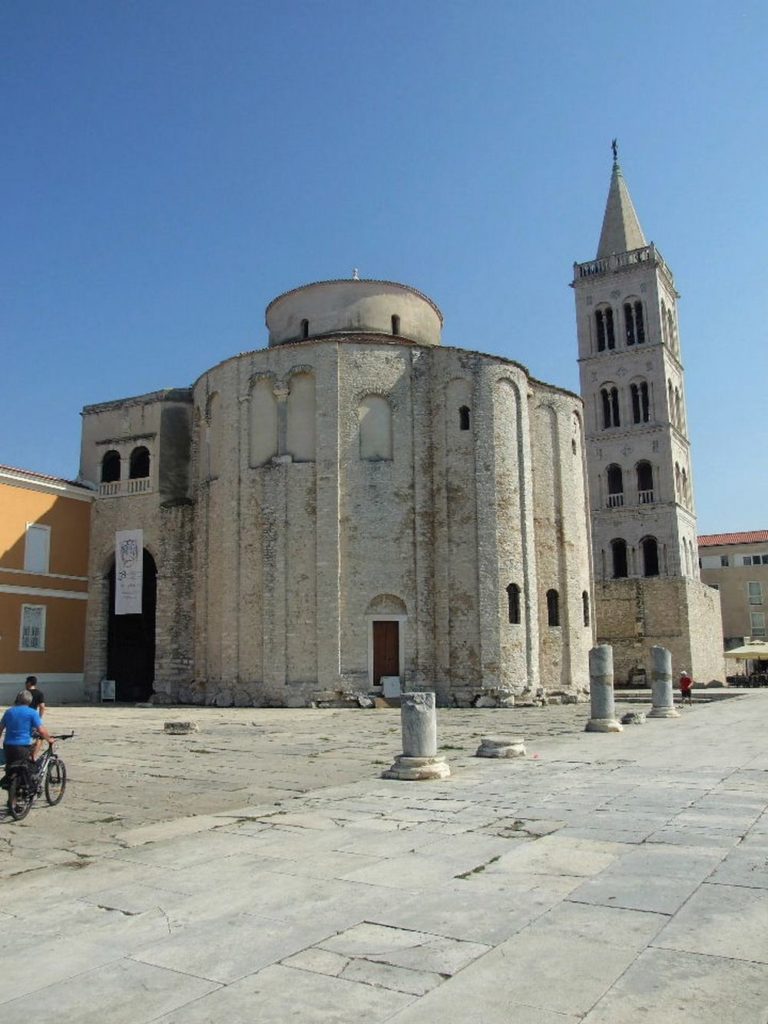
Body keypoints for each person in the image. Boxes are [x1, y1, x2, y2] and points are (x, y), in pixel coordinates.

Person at [0, 691, 54, 786]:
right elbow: (41, 730)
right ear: (30, 701)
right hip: (23, 746)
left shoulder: (9, 712)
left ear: (17, 700)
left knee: (10, 765)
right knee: (28, 765)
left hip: (8, 746)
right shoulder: (32, 713)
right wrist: (49, 739)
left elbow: (0, 729)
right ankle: (29, 785)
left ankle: (8, 782)